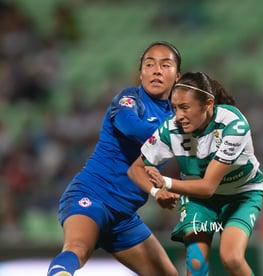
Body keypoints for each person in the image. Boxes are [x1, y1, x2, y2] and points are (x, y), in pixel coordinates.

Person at [47, 41, 182, 276]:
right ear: (140, 74)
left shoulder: (177, 115)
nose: (156, 70)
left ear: (177, 75)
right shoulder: (129, 100)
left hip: (124, 217)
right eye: (149, 65)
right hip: (92, 195)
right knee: (77, 248)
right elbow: (131, 128)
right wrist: (179, 133)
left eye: (165, 65)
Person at [127, 71, 263, 276]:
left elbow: (208, 186)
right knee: (196, 264)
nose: (179, 116)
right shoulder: (170, 129)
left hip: (241, 196)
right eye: (174, 108)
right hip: (198, 201)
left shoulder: (233, 125)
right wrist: (156, 193)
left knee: (232, 259)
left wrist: (165, 183)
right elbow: (135, 169)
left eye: (184, 107)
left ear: (208, 104)